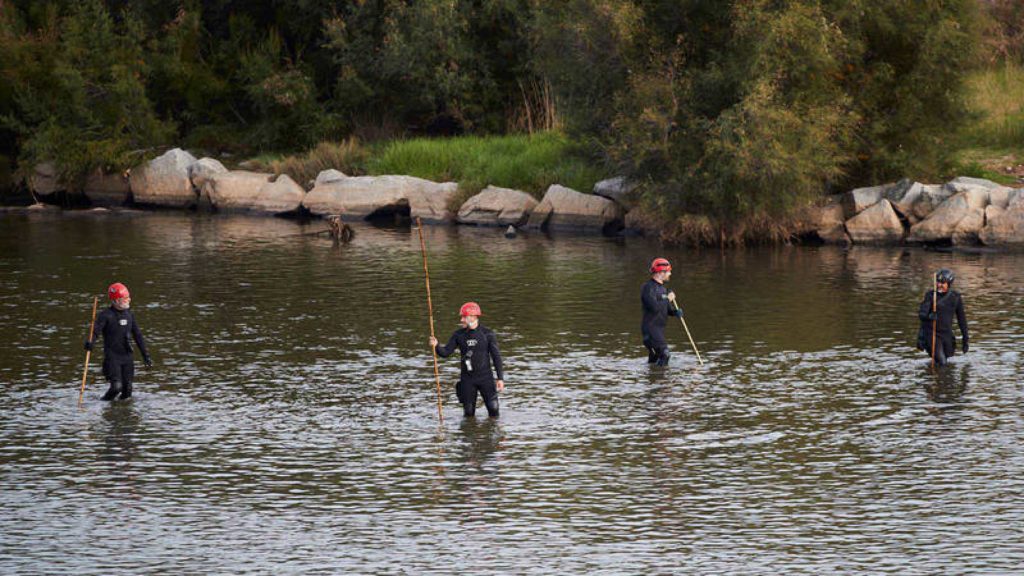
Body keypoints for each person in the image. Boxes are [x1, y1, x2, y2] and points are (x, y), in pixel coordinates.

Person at [429, 302, 505, 418]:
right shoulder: (458, 335)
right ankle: (469, 434)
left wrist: (500, 378)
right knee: (468, 413)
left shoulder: (487, 334)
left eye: (464, 317)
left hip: (486, 378)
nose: (461, 320)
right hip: (467, 380)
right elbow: (446, 353)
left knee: (494, 410)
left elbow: (496, 357)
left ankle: (493, 431)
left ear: (473, 317)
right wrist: (437, 345)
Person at [84, 283, 152, 400]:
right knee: (116, 387)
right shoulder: (105, 315)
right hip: (112, 357)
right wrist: (90, 343)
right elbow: (95, 332)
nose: (129, 300)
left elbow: (138, 335)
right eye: (125, 298)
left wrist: (145, 355)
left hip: (127, 356)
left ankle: (122, 414)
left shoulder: (130, 314)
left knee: (127, 390)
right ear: (116, 300)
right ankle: (104, 405)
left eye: (128, 297)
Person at [917, 268, 968, 366]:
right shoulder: (931, 295)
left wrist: (965, 339)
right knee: (942, 362)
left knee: (943, 360)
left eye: (942, 283)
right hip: (932, 333)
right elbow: (921, 314)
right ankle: (940, 378)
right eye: (938, 282)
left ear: (949, 284)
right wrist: (929, 316)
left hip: (947, 334)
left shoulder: (955, 297)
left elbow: (961, 319)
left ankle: (933, 377)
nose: (939, 285)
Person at [641, 257, 682, 366]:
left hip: (658, 330)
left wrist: (674, 312)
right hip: (650, 330)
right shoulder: (648, 288)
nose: (670, 274)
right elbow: (654, 307)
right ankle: (661, 381)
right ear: (660, 272)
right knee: (665, 354)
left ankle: (652, 378)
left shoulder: (663, 289)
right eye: (668, 271)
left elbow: (665, 309)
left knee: (655, 358)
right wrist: (668, 298)